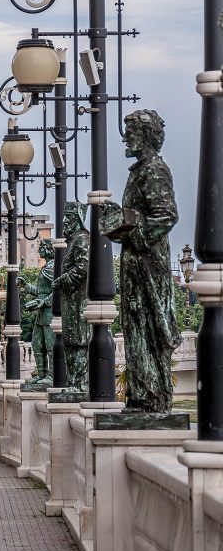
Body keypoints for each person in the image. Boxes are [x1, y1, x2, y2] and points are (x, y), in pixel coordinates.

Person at [101, 109, 180, 414]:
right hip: (136, 259)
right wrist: (120, 219)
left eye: (131, 132)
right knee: (135, 324)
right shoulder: (140, 170)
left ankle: (153, 398)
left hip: (149, 262)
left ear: (145, 136)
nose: (126, 138)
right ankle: (140, 396)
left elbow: (166, 216)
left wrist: (132, 228)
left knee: (148, 324)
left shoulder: (154, 170)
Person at [52, 202, 90, 392]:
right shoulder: (74, 240)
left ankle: (80, 384)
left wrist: (61, 280)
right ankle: (74, 382)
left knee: (78, 341)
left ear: (79, 219)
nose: (65, 220)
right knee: (71, 340)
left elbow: (83, 269)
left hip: (78, 301)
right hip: (71, 300)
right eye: (65, 216)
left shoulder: (82, 239)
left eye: (70, 216)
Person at [18, 238, 55, 387]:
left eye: (41, 247)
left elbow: (58, 290)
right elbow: (41, 291)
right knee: (37, 344)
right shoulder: (45, 267)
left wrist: (45, 302)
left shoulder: (53, 267)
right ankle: (41, 374)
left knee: (50, 345)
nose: (39, 250)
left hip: (50, 312)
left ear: (48, 249)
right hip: (41, 313)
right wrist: (26, 285)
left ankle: (52, 376)